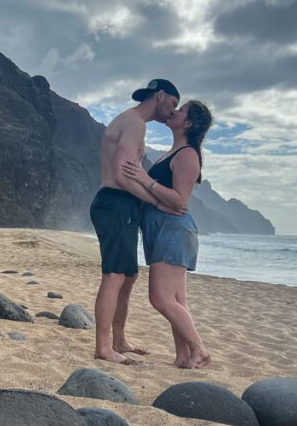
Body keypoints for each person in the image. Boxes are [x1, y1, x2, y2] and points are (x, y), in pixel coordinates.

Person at [90, 79, 188, 365]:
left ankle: (119, 340)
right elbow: (121, 175)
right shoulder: (134, 123)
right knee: (114, 275)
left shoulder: (132, 123)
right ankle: (103, 347)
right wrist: (157, 202)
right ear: (160, 96)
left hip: (122, 204)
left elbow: (131, 173)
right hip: (114, 202)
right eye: (172, 103)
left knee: (128, 276)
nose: (172, 111)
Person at [122, 100, 213, 368]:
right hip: (163, 228)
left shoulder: (187, 155)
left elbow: (179, 199)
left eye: (181, 110)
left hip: (172, 229)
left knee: (160, 298)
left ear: (189, 123)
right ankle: (184, 357)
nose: (174, 111)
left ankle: (200, 350)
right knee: (176, 300)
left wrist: (143, 178)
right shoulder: (173, 152)